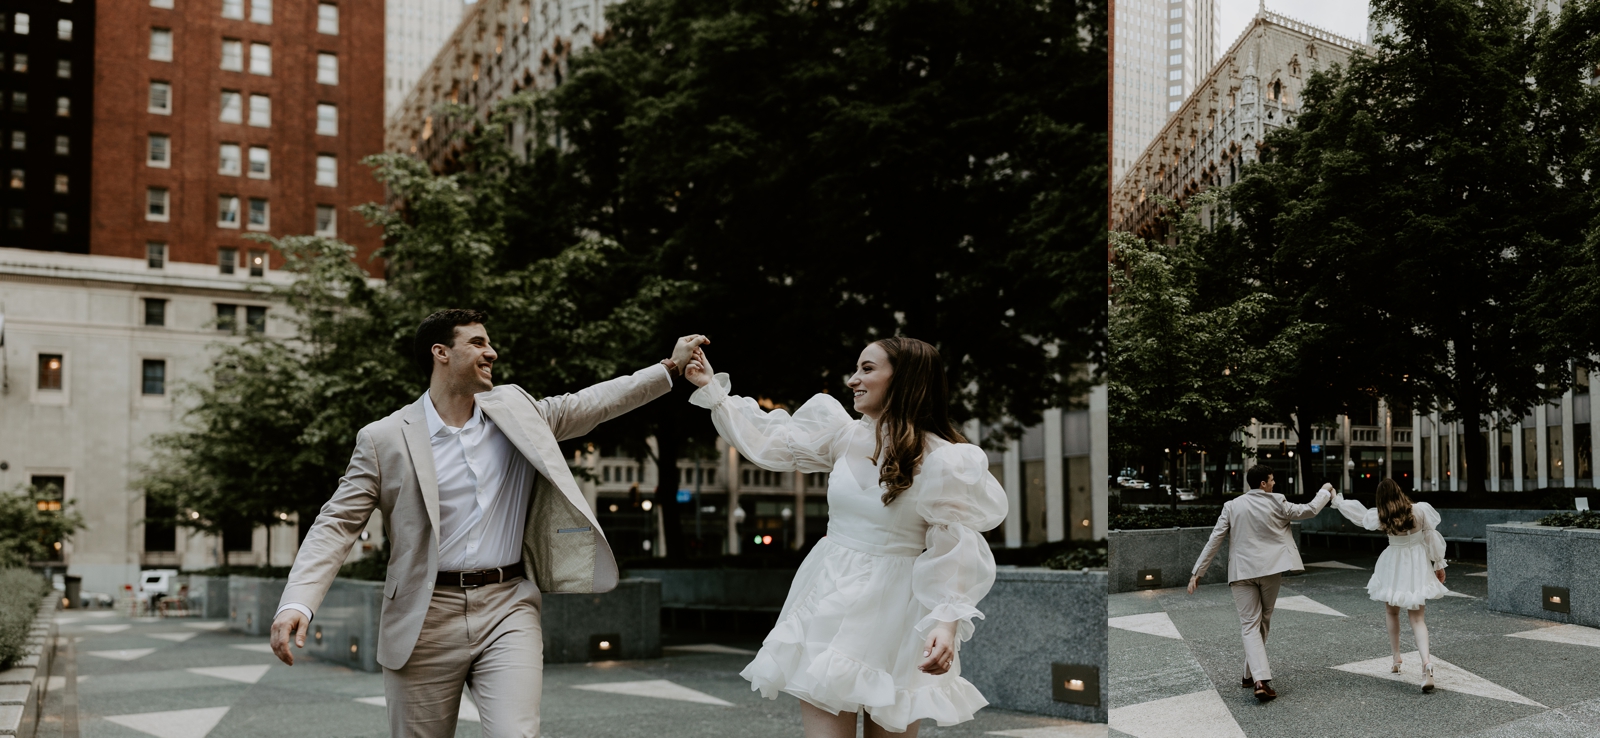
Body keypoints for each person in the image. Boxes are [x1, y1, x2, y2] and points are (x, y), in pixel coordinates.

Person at [267, 308, 707, 737]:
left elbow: (589, 404)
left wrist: (668, 368)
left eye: (489, 343)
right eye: (478, 342)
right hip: (424, 615)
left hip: (508, 605)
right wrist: (297, 603)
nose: (491, 352)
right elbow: (337, 523)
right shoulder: (384, 438)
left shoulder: (515, 410)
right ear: (441, 353)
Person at [683, 338, 1006, 737]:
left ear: (903, 378)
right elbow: (768, 440)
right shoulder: (842, 436)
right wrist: (711, 388)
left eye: (867, 369)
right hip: (829, 596)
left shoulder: (946, 460)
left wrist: (946, 622)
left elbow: (955, 548)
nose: (854, 380)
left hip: (898, 610)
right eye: (856, 369)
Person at [1187, 466, 1332, 702]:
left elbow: (1215, 538)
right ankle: (1261, 681)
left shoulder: (1232, 506)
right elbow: (1310, 510)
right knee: (1260, 621)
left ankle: (1248, 674)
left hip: (1241, 571)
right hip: (1270, 570)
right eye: (1272, 480)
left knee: (1253, 624)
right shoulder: (1278, 502)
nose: (1274, 483)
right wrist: (1325, 491)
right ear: (1263, 484)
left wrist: (1198, 573)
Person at [1331, 478, 1448, 692]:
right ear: (1399, 491)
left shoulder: (1382, 515)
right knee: (1418, 618)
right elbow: (1431, 537)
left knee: (1391, 612)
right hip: (1417, 564)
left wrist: (1337, 501)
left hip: (1394, 564)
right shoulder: (1420, 510)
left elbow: (1359, 515)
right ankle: (1426, 662)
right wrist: (1439, 564)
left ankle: (1396, 659)